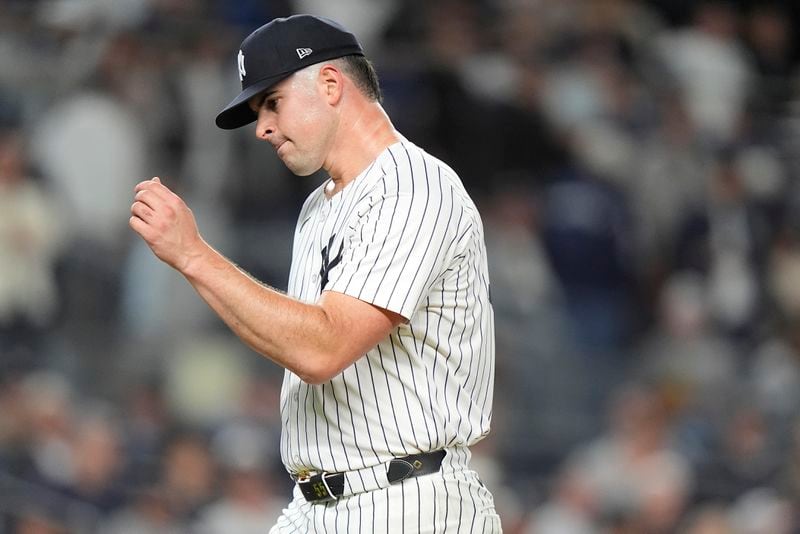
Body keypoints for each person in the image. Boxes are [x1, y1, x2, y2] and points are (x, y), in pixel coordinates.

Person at [129, 14, 501, 533]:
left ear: (330, 84)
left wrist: (194, 255)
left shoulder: (415, 189)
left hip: (406, 501)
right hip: (318, 503)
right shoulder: (318, 210)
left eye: (272, 103)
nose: (261, 127)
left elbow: (322, 349)